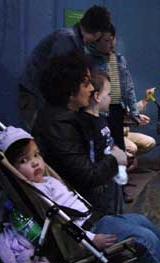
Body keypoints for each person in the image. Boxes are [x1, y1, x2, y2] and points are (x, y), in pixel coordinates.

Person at [0, 126, 160, 263]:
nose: (35, 163)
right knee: (145, 238)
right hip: (88, 232)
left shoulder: (48, 180)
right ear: (12, 170)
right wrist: (90, 239)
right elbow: (58, 224)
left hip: (97, 219)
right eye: (24, 160)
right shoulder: (34, 193)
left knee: (146, 223)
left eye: (36, 155)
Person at [32, 52, 126, 215]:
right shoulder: (60, 125)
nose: (91, 88)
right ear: (69, 90)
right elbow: (88, 176)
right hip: (80, 212)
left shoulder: (63, 116)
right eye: (86, 83)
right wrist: (115, 158)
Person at [19, 5, 112, 130]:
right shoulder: (67, 40)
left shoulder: (73, 40)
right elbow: (57, 77)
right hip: (35, 96)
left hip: (40, 95)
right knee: (40, 138)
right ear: (98, 34)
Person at [85, 23, 150, 150]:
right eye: (106, 40)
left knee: (119, 145)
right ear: (96, 41)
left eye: (113, 39)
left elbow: (128, 87)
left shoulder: (119, 59)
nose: (112, 43)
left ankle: (120, 168)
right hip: (99, 109)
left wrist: (134, 112)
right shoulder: (89, 60)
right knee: (103, 144)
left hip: (116, 108)